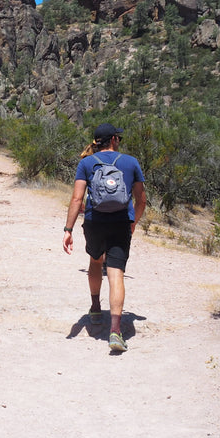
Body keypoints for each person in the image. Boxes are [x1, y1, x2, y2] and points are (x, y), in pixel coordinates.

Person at [62, 123, 146, 353]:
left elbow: (77, 199)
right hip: (120, 223)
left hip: (94, 222)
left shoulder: (86, 163)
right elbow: (141, 201)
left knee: (95, 262)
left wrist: (67, 229)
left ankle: (96, 308)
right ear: (114, 140)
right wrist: (133, 222)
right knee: (116, 272)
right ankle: (116, 332)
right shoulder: (131, 162)